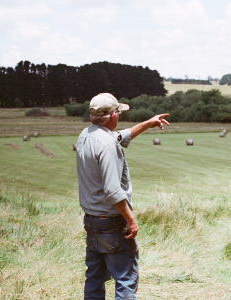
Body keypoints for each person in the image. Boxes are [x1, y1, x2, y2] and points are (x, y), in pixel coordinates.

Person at [76, 93, 170, 299]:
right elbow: (113, 191)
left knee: (94, 278)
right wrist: (130, 219)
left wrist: (149, 123)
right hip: (111, 223)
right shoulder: (108, 146)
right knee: (125, 279)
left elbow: (120, 136)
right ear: (112, 116)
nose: (119, 116)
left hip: (92, 221)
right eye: (118, 112)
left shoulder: (86, 135)